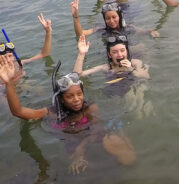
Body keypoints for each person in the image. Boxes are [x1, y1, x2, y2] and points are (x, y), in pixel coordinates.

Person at [0, 55, 136, 174]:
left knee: (129, 159)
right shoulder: (51, 112)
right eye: (70, 96)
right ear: (61, 99)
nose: (77, 99)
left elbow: (96, 130)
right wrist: (9, 83)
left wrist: (81, 150)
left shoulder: (90, 108)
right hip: (70, 141)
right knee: (75, 170)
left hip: (91, 137)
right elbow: (18, 112)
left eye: (79, 94)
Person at [0, 13, 52, 86]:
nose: (8, 60)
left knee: (41, 90)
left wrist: (48, 32)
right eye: (4, 57)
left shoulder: (18, 64)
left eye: (10, 56)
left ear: (14, 56)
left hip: (22, 85)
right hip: (4, 93)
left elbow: (44, 54)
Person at [70, 0, 159, 38]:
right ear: (104, 20)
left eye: (114, 17)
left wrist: (151, 31)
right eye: (108, 18)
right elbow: (80, 34)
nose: (111, 21)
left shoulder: (128, 27)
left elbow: (142, 31)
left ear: (119, 16)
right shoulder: (101, 29)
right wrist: (75, 17)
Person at [73, 34, 149, 79]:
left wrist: (130, 69)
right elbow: (77, 75)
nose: (119, 54)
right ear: (109, 55)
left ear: (127, 51)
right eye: (114, 52)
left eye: (122, 50)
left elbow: (146, 76)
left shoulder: (135, 63)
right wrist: (81, 54)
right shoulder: (106, 67)